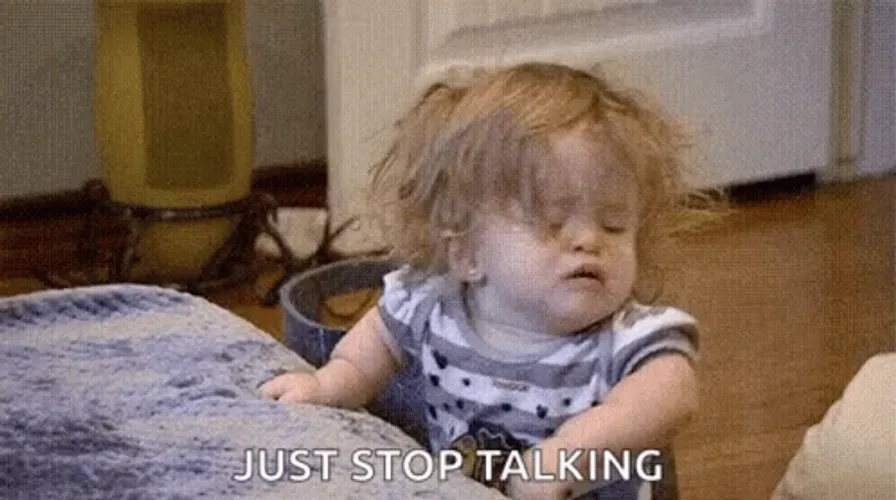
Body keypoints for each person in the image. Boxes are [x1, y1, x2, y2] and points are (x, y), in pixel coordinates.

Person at [260, 62, 722, 499]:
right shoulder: (430, 303)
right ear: (466, 253)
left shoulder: (625, 336)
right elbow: (372, 348)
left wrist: (568, 454)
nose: (588, 240)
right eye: (553, 223)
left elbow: (674, 395)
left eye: (615, 225)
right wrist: (328, 386)